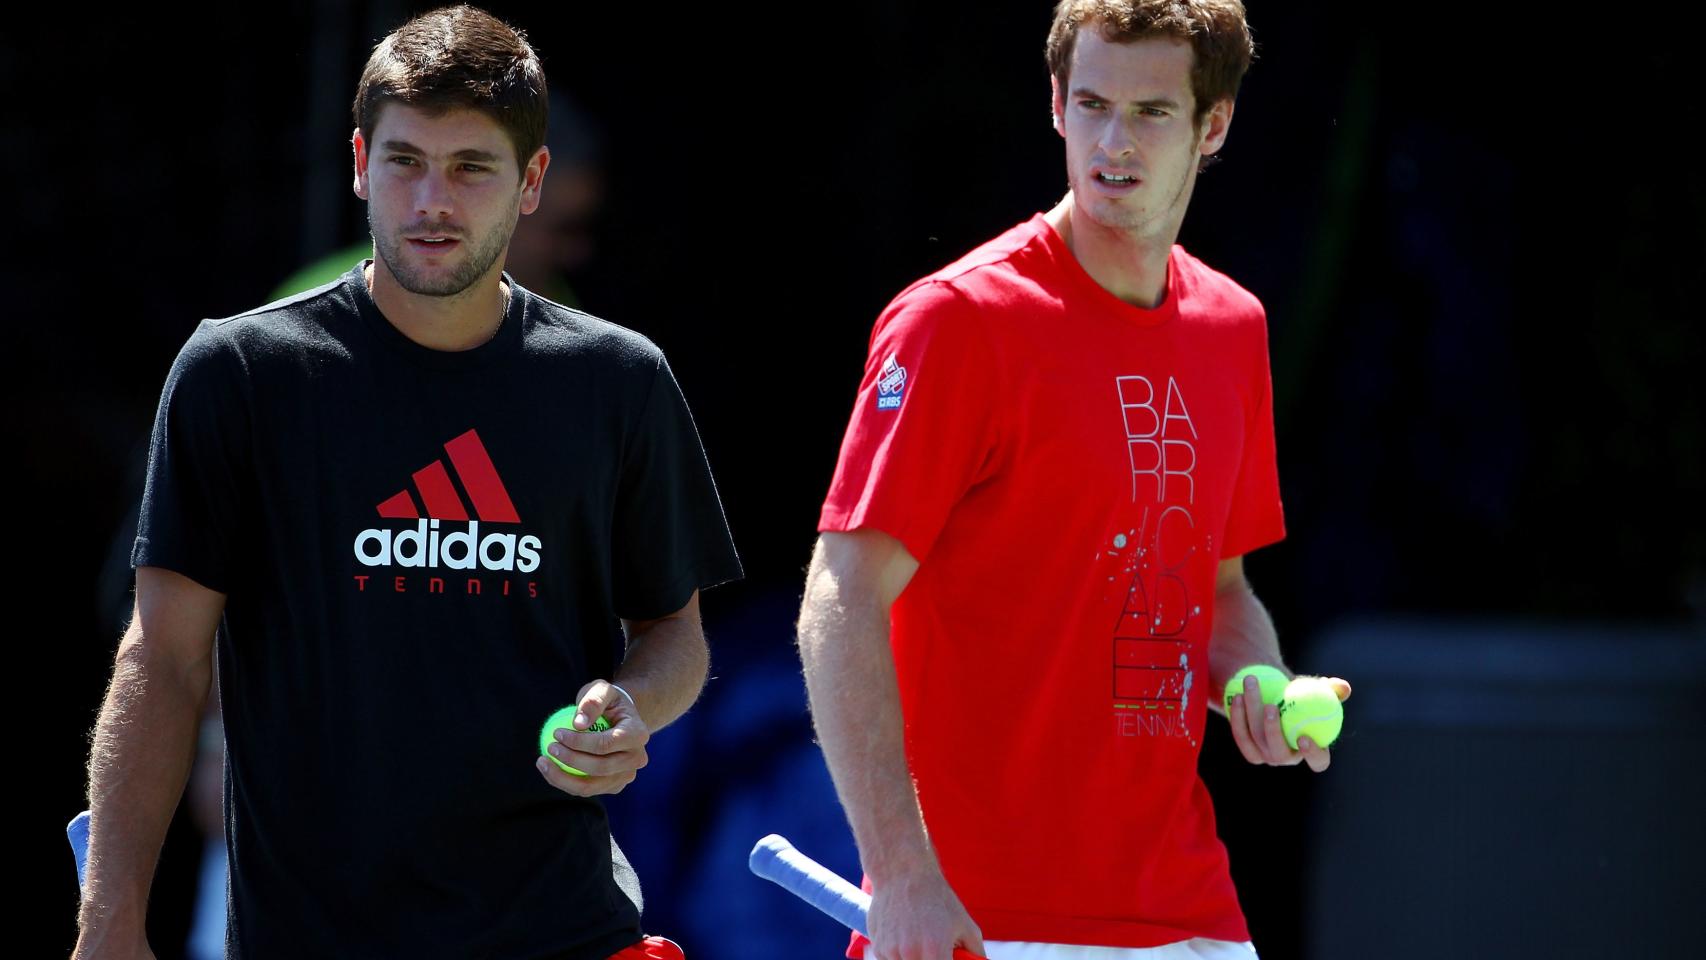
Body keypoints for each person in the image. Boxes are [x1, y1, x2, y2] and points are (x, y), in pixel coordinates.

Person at [72, 6, 740, 959]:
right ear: (358, 163)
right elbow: (163, 658)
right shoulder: (242, 372)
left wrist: (633, 704)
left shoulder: (618, 381)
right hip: (308, 934)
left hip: (564, 931)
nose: (433, 200)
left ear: (532, 180)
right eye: (404, 161)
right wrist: (108, 923)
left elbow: (673, 631)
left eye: (471, 167)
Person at [795, 3, 1350, 959]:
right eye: (1091, 104)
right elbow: (838, 598)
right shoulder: (957, 322)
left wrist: (1259, 681)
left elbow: (1216, 590)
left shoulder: (1234, 328)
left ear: (1213, 124)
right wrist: (905, 873)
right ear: (1056, 105)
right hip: (981, 919)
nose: (1113, 143)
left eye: (1151, 112)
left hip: (1188, 911)